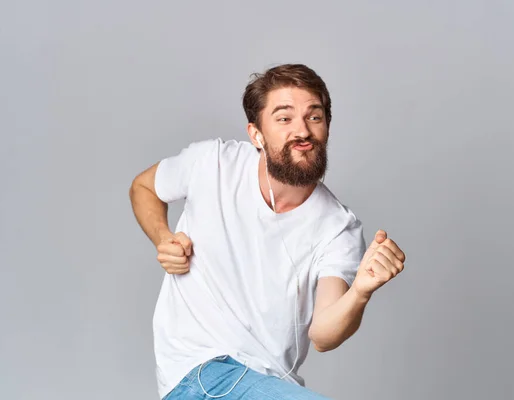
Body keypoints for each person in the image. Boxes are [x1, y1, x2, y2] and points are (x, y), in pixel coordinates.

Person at [129, 63, 406, 399]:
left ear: (327, 127)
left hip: (270, 383)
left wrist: (361, 291)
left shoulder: (338, 227)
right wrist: (163, 237)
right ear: (256, 134)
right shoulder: (213, 163)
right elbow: (144, 187)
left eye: (314, 117)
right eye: (284, 118)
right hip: (201, 371)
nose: (302, 131)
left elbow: (323, 334)